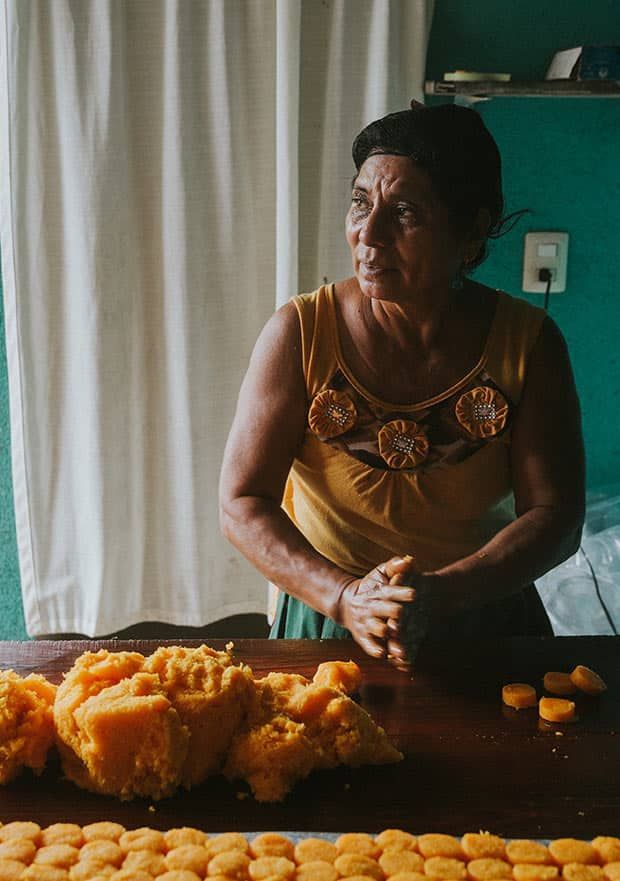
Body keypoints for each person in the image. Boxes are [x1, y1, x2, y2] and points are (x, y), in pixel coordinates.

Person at [219, 103, 585, 672]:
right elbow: (242, 502)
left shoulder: (529, 344)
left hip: (484, 617)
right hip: (329, 621)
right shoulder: (299, 333)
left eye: (406, 212)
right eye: (362, 202)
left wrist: (445, 594)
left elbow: (556, 515)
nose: (369, 233)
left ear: (471, 231)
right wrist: (346, 597)